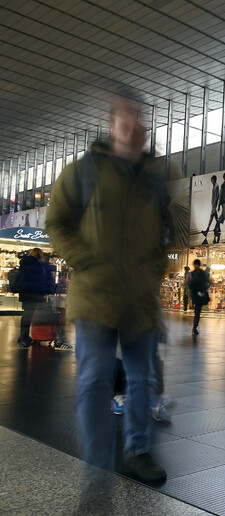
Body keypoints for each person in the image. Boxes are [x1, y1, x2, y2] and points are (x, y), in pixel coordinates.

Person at [46, 92, 170, 484]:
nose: (133, 129)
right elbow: (57, 222)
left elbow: (169, 232)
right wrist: (86, 261)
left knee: (143, 380)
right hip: (96, 296)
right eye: (125, 122)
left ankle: (138, 452)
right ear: (112, 126)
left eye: (139, 122)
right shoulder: (83, 172)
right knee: (93, 380)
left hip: (140, 298)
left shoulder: (157, 177)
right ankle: (97, 465)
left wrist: (155, 269)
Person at [16, 247, 55, 348]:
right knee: (36, 316)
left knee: (26, 316)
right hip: (35, 293)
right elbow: (42, 280)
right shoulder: (39, 265)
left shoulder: (24, 263)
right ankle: (28, 338)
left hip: (25, 293)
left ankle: (23, 337)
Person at [186, 259, 210, 336]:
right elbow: (189, 285)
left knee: (197, 311)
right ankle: (195, 327)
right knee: (197, 311)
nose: (195, 266)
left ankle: (195, 327)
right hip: (196, 295)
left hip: (200, 294)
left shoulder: (201, 274)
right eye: (194, 265)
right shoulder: (194, 274)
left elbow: (208, 282)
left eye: (196, 265)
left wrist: (204, 289)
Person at [200, 175, 220, 244]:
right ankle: (217, 229)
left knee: (211, 218)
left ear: (214, 179)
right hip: (213, 205)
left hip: (214, 205)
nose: (211, 181)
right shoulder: (214, 186)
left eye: (212, 180)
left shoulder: (216, 186)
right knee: (214, 218)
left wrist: (214, 204)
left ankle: (207, 231)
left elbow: (217, 196)